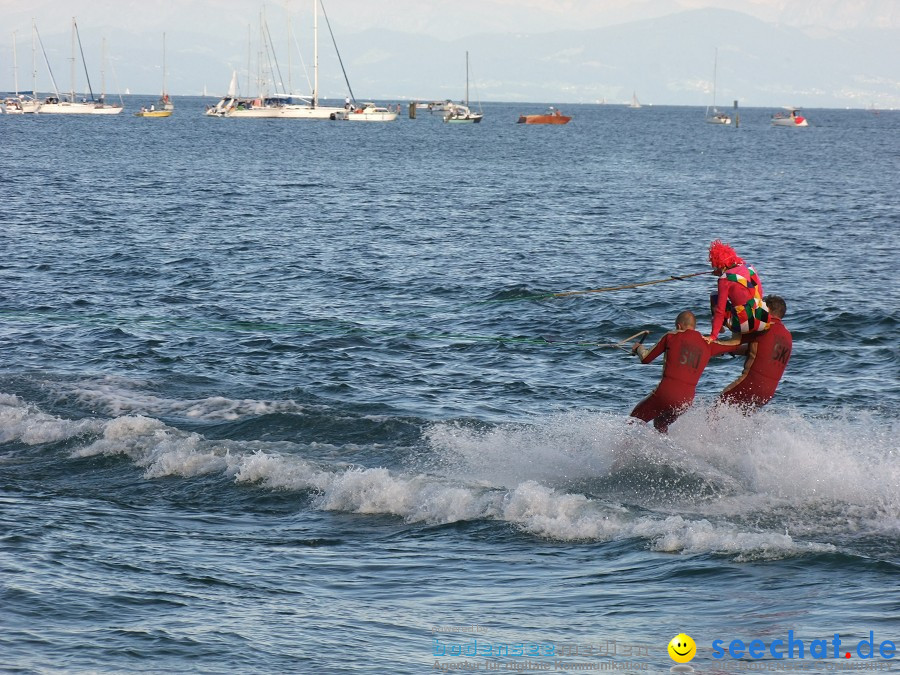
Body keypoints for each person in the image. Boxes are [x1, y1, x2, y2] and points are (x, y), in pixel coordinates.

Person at [630, 310, 736, 433]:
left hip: (665, 394)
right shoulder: (708, 344)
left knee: (634, 420)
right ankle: (665, 450)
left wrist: (638, 348)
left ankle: (624, 450)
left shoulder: (671, 336)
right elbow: (734, 345)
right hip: (685, 401)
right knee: (660, 424)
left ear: (679, 326)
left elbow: (646, 358)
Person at [717, 295, 792, 409]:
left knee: (718, 408)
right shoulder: (787, 336)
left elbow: (735, 339)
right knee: (740, 417)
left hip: (750, 383)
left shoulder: (763, 327)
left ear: (767, 309)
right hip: (768, 392)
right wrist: (729, 351)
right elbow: (758, 351)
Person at [707, 239, 770, 341]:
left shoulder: (724, 279)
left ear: (719, 266)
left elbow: (720, 310)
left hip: (743, 324)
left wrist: (713, 336)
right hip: (763, 319)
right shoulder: (750, 268)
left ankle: (719, 328)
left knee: (714, 296)